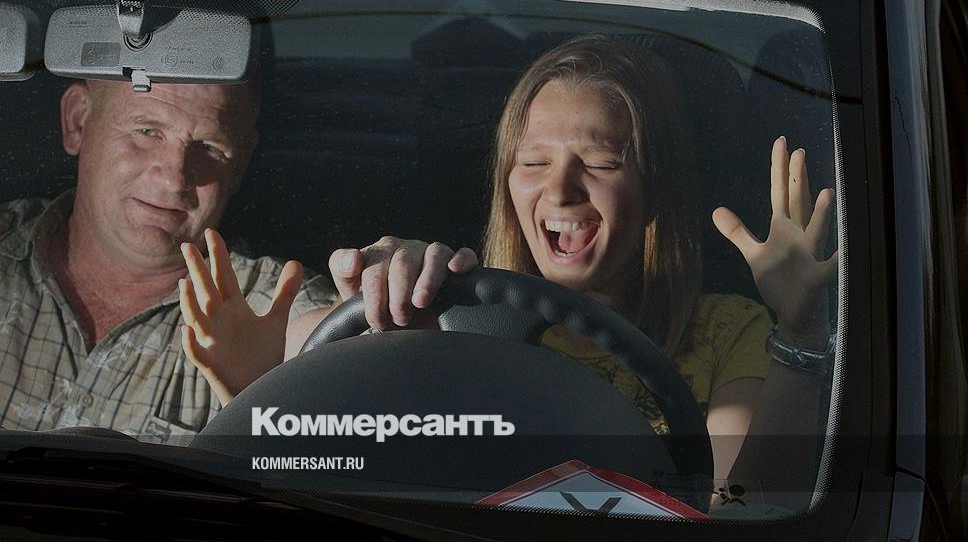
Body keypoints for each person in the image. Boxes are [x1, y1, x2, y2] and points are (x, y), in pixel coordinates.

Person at [181, 35, 837, 497]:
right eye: (534, 162)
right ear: (505, 182)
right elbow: (340, 468)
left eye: (601, 162)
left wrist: (801, 331)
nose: (560, 190)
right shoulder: (451, 316)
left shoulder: (726, 331)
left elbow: (735, 507)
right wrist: (256, 394)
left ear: (657, 188)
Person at [0, 79, 344, 443]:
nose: (174, 178)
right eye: (148, 132)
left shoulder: (266, 307)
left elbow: (338, 345)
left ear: (240, 163)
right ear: (78, 121)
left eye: (209, 148)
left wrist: (382, 307)